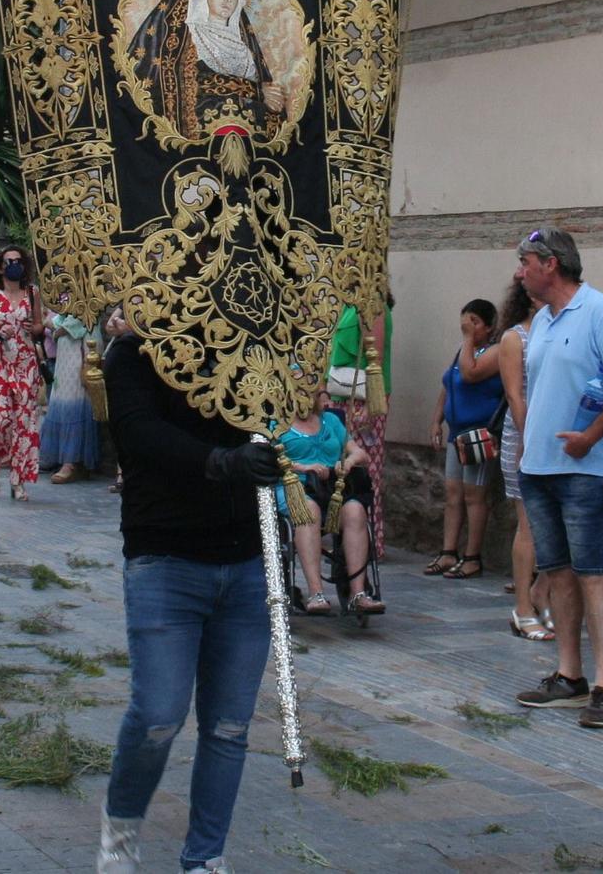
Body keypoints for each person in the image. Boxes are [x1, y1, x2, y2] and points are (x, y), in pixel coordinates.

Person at [97, 330, 281, 874]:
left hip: (246, 560)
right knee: (158, 714)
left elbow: (276, 418)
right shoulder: (133, 353)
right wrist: (221, 463)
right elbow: (137, 435)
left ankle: (205, 857)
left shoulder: (253, 345)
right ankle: (121, 832)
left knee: (229, 726)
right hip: (167, 558)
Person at [510, 227, 603, 729]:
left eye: (525, 262)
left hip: (584, 469)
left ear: (551, 264)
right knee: (557, 571)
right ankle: (569, 676)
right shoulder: (542, 319)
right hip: (538, 467)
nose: (520, 273)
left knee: (592, 574)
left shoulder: (599, 313)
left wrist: (591, 437)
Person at [126, 0, 287, 140]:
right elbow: (184, 82)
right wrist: (255, 91)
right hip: (200, 125)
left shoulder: (244, 44)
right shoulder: (182, 36)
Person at [278, 391, 381, 617]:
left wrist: (347, 462)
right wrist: (304, 467)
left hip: (332, 489)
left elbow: (359, 453)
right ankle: (316, 593)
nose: (304, 394)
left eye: (309, 389)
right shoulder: (277, 421)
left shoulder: (330, 420)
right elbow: (270, 458)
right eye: (297, 388)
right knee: (309, 510)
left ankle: (358, 594)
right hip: (295, 487)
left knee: (355, 510)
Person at [427, 298, 504, 580]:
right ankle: (448, 552)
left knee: (475, 496)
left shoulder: (493, 352)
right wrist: (437, 420)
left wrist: (469, 340)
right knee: (453, 494)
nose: (467, 328)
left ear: (488, 326)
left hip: (479, 435)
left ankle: (472, 557)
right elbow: (449, 386)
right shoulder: (463, 351)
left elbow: (471, 375)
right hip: (456, 433)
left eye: (474, 322)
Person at [494, 281, 551, 641]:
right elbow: (515, 394)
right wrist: (528, 436)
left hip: (559, 435)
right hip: (525, 434)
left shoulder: (562, 329)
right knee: (529, 524)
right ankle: (523, 607)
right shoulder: (515, 337)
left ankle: (542, 591)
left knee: (558, 524)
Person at [0, 245, 44, 501]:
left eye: (19, 261)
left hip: (25, 362)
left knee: (24, 422)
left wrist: (32, 327)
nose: (15, 265)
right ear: (0, 267)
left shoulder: (32, 293)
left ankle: (19, 480)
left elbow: (38, 325)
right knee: (1, 418)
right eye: (9, 261)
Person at [327, 295, 392, 556]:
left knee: (366, 470)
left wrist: (369, 405)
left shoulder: (374, 306)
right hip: (340, 394)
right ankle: (347, 538)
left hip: (365, 398)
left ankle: (371, 541)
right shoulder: (344, 304)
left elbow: (375, 358)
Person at [39, 309, 98, 482]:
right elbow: (57, 322)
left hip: (81, 350)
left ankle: (72, 462)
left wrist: (55, 326)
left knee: (75, 402)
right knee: (61, 402)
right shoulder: (67, 302)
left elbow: (77, 323)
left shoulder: (88, 299)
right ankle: (64, 459)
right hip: (64, 355)